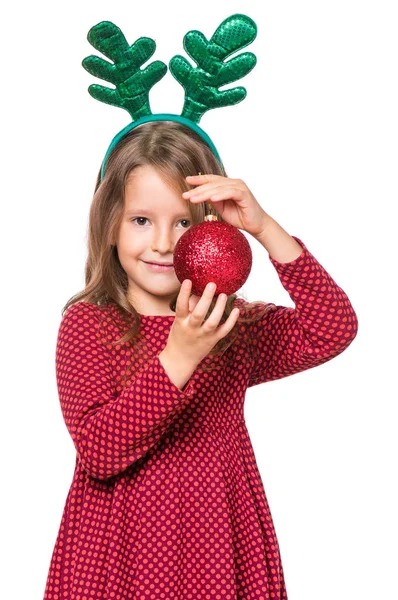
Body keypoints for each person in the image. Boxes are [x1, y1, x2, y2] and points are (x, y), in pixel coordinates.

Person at [42, 119, 358, 599]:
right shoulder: (90, 324)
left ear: (213, 227)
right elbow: (100, 451)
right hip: (122, 555)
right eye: (141, 220)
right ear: (110, 224)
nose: (164, 243)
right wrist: (179, 355)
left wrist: (264, 228)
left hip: (218, 548)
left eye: (184, 222)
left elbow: (332, 328)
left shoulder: (228, 326)